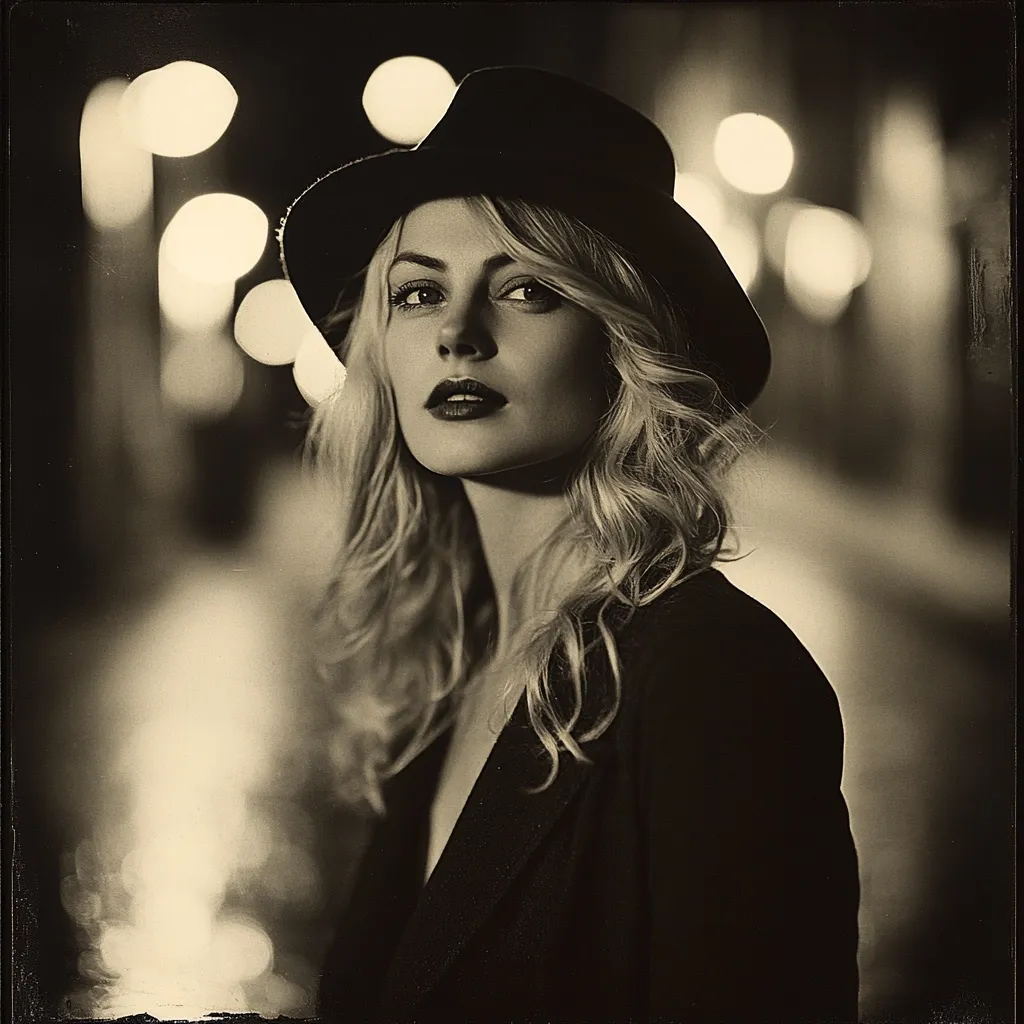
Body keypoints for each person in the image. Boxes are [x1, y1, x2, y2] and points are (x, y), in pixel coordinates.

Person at [280, 66, 860, 1023]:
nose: (459, 334)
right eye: (419, 294)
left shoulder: (719, 677)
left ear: (624, 347)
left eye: (530, 290)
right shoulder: (450, 664)